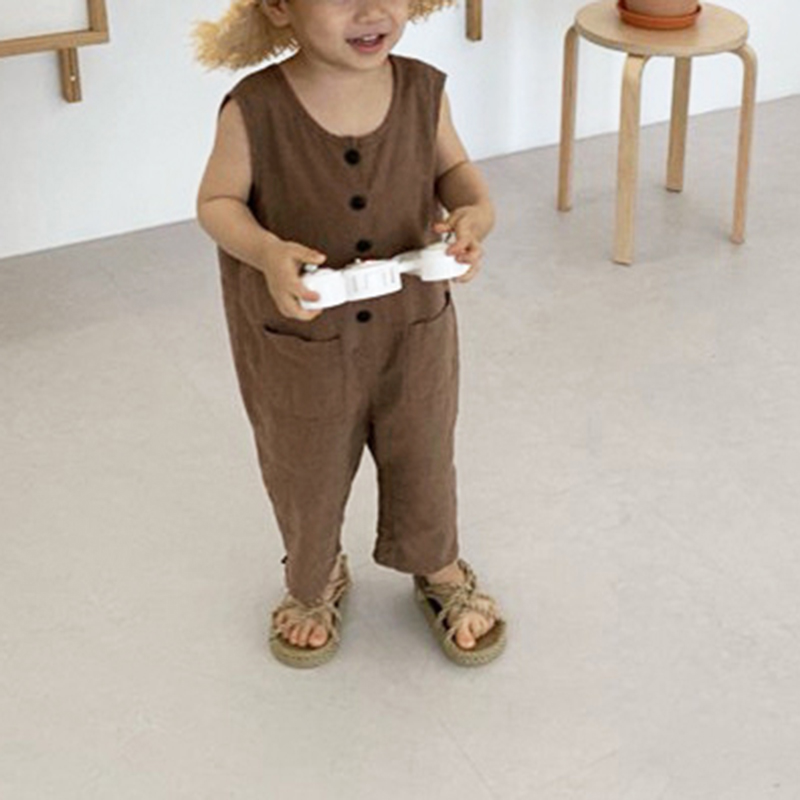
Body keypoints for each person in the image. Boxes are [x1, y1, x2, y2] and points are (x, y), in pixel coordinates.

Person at [195, 0, 506, 668]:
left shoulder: (423, 90)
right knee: (303, 463)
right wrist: (267, 251)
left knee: (424, 448)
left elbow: (453, 171)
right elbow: (217, 203)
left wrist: (474, 211)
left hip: (413, 329)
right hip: (302, 340)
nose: (370, 11)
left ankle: (438, 564)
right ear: (279, 7)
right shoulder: (255, 109)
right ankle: (314, 577)